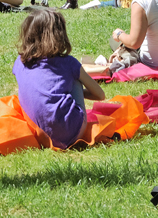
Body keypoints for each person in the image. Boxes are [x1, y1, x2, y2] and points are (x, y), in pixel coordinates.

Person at [12, 9, 106, 149]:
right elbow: (100, 95)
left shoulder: (20, 63)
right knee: (76, 79)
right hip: (71, 132)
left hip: (38, 134)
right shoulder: (69, 63)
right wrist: (76, 93)